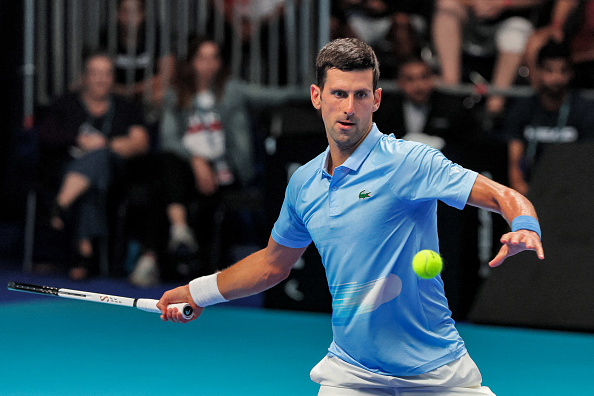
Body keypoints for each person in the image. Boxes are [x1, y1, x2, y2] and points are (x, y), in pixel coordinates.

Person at [157, 38, 544, 395]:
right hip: (352, 373)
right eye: (338, 94)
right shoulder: (303, 183)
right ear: (316, 96)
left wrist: (523, 225)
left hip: (437, 371)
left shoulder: (409, 162)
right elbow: (272, 265)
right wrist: (197, 291)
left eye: (360, 95)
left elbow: (501, 194)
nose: (348, 108)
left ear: (376, 99)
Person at [38, 50, 149, 280]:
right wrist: (78, 140)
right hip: (68, 171)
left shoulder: (125, 107)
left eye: (106, 74)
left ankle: (60, 205)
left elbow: (140, 143)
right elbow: (45, 136)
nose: (101, 79)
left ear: (113, 79)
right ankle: (85, 253)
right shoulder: (65, 103)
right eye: (95, 73)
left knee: (100, 157)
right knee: (90, 182)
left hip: (115, 178)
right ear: (84, 77)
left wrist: (106, 144)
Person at [505, 39, 594, 196]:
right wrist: (522, 191)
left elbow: (587, 163)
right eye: (549, 70)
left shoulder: (584, 110)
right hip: (530, 190)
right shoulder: (523, 108)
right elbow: (515, 163)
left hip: (571, 193)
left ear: (571, 73)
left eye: (563, 71)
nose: (557, 78)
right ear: (537, 71)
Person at [431, 0, 546, 115]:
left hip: (512, 18)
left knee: (514, 36)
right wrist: (475, 3)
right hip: (468, 18)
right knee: (446, 7)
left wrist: (502, 3)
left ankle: (495, 106)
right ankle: (450, 88)